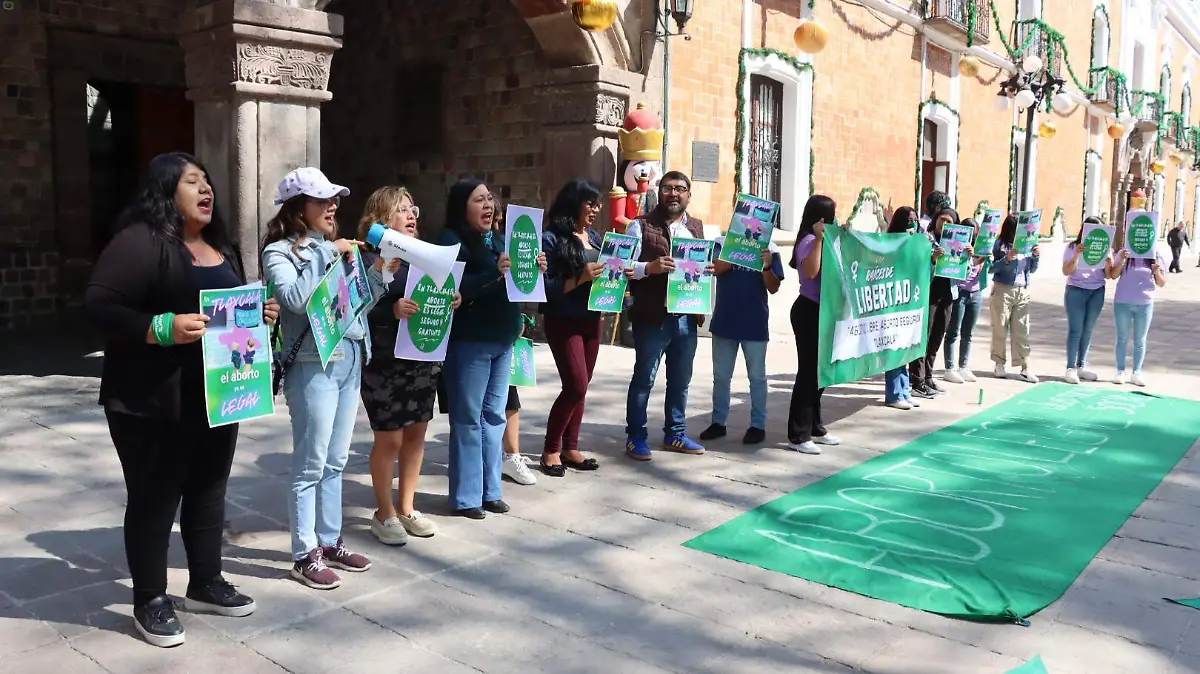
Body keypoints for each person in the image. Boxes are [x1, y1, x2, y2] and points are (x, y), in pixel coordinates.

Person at [85, 152, 279, 646]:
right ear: (165, 190)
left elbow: (226, 315)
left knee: (209, 490)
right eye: (193, 181)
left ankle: (206, 582)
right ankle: (150, 598)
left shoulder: (222, 249)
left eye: (207, 180)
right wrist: (160, 328)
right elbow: (100, 305)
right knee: (154, 498)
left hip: (218, 394)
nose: (205, 188)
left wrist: (258, 315)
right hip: (150, 399)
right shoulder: (141, 242)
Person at [262, 167, 387, 590]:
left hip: (351, 356)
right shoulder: (279, 253)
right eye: (323, 200)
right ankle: (304, 552)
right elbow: (295, 300)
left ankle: (330, 540)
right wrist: (325, 253)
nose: (333, 206)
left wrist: (377, 271)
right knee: (310, 463)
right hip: (312, 364)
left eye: (334, 199)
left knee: (336, 460)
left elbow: (357, 307)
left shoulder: (336, 248)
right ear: (299, 208)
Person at [357, 187, 461, 545]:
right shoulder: (366, 261)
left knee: (417, 434)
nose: (412, 214)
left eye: (413, 208)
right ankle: (383, 513)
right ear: (382, 219)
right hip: (383, 362)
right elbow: (353, 311)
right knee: (390, 438)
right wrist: (391, 310)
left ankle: (407, 507)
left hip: (421, 359)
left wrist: (451, 297)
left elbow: (437, 294)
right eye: (402, 210)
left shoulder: (426, 258)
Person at [437, 179, 546, 518]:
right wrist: (495, 275)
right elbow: (454, 286)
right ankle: (466, 497)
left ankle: (490, 490)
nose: (487, 206)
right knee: (468, 418)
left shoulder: (502, 240)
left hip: (503, 339)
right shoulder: (450, 240)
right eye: (478, 200)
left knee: (494, 417)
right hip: (470, 341)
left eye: (489, 200)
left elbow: (518, 284)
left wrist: (534, 269)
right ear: (461, 207)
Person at [623, 171, 711, 461]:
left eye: (680, 189)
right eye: (668, 188)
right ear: (659, 193)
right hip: (652, 316)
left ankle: (675, 434)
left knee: (680, 380)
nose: (674, 194)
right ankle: (636, 436)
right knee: (644, 378)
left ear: (688, 195)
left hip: (686, 316)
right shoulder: (640, 226)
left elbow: (702, 267)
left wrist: (706, 271)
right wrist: (650, 268)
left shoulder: (696, 229)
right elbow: (621, 266)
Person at [539, 178, 605, 475]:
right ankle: (551, 449)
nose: (596, 209)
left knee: (582, 387)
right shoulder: (551, 238)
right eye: (590, 203)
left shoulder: (596, 237)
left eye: (598, 203)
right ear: (574, 203)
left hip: (593, 319)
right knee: (575, 384)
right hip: (562, 319)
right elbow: (544, 287)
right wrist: (580, 278)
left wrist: (620, 274)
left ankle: (570, 446)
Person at [700, 212, 784, 442]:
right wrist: (739, 250)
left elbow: (774, 287)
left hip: (754, 323)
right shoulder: (721, 244)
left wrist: (766, 265)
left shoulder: (771, 249)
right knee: (721, 376)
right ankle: (719, 422)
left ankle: (757, 425)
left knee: (757, 377)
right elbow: (715, 269)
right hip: (725, 321)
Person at [489, 192, 540, 486]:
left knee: (510, 396)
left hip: (508, 328)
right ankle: (490, 457)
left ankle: (511, 455)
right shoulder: (474, 247)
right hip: (480, 332)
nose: (496, 221)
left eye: (499, 217)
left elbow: (524, 283)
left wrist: (523, 315)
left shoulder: (512, 245)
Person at [786, 195, 842, 454]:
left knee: (821, 374)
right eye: (830, 216)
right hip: (809, 310)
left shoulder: (827, 239)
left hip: (826, 311)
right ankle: (798, 435)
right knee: (808, 373)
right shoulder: (809, 241)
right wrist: (820, 237)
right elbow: (811, 272)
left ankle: (815, 426)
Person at [910, 207, 962, 396]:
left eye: (949, 221)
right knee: (923, 337)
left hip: (948, 295)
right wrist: (932, 258)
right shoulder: (926, 239)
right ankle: (917, 380)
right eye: (942, 220)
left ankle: (929, 376)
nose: (945, 224)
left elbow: (964, 271)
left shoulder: (958, 241)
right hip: (928, 295)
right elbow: (916, 266)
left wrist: (967, 257)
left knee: (937, 338)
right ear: (936, 220)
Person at [1061, 216, 1114, 384]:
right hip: (1076, 290)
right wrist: (1076, 255)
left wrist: (1108, 263)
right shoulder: (1072, 247)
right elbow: (1066, 271)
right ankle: (1070, 368)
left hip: (1097, 291)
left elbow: (1108, 275)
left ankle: (1082, 365)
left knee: (1088, 329)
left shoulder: (1105, 247)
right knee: (1075, 329)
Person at [989, 214, 1040, 383]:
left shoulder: (1028, 244)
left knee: (1022, 330)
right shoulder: (1000, 244)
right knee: (1000, 327)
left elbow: (1031, 270)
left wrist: (1036, 257)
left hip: (1022, 290)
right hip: (1003, 289)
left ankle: (1025, 366)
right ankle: (999, 362)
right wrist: (1007, 259)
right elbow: (991, 268)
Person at [882, 207, 922, 410]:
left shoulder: (916, 242)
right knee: (894, 350)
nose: (913, 224)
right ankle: (894, 394)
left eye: (915, 220)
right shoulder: (889, 243)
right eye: (909, 220)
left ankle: (905, 390)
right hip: (893, 303)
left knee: (906, 349)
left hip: (910, 302)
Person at [1109, 246, 1167, 386]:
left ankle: (1137, 372)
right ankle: (1120, 371)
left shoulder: (1155, 254)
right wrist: (1122, 260)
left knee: (1140, 340)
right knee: (1122, 337)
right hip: (1123, 301)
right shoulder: (1124, 252)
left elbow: (1162, 283)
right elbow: (1113, 275)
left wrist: (1157, 271)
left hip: (1145, 303)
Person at [943, 217, 985, 385]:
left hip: (975, 293)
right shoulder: (955, 245)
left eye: (975, 232)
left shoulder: (979, 247)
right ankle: (950, 368)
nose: (973, 235)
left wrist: (984, 256)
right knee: (953, 331)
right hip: (959, 291)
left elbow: (984, 266)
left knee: (968, 332)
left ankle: (964, 366)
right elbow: (958, 268)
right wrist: (968, 257)